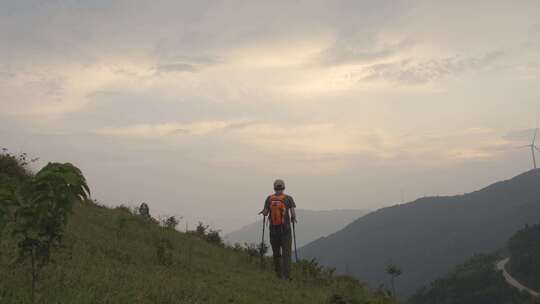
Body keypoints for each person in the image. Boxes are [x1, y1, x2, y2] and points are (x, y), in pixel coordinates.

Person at [260, 179, 297, 279]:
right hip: (286, 231)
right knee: (287, 254)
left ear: (274, 187)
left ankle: (278, 275)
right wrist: (293, 218)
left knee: (276, 254)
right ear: (283, 187)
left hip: (273, 230)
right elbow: (293, 213)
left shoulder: (269, 198)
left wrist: (263, 213)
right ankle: (287, 276)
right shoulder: (289, 198)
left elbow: (266, 212)